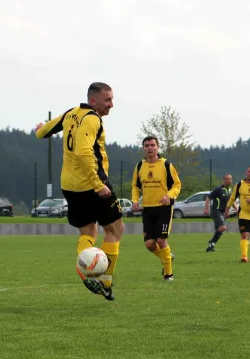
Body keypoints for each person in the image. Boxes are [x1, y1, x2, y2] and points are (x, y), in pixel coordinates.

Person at [35, 82, 123, 301]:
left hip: (69, 185)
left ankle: (85, 264)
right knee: (115, 229)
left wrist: (39, 129)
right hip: (91, 184)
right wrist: (97, 184)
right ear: (93, 101)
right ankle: (105, 280)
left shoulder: (71, 113)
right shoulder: (92, 119)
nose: (111, 104)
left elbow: (43, 132)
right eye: (108, 100)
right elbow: (85, 154)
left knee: (88, 233)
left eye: (112, 99)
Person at [131, 136, 181, 281]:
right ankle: (167, 257)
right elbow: (135, 186)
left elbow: (177, 185)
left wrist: (169, 196)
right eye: (147, 145)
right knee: (149, 244)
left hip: (164, 208)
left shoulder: (166, 165)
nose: (150, 148)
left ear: (158, 147)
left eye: (153, 145)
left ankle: (168, 274)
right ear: (143, 148)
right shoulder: (140, 166)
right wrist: (134, 200)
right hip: (148, 209)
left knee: (161, 240)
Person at [204, 174, 236, 252]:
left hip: (222, 212)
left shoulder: (230, 190)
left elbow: (231, 201)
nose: (228, 180)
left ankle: (211, 245)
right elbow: (208, 198)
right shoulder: (219, 189)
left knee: (221, 229)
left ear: (231, 180)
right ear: (223, 180)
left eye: (229, 179)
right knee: (223, 227)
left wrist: (236, 209)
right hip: (216, 211)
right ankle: (211, 242)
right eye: (226, 179)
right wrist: (206, 209)